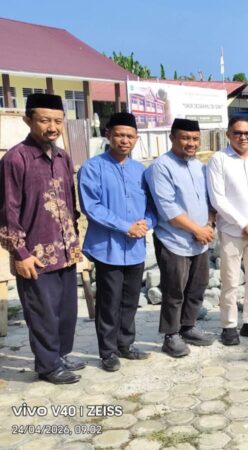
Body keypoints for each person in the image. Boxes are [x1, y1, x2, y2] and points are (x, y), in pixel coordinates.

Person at [0, 93, 85, 384]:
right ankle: (48, 366)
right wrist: (19, 253)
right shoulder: (15, 159)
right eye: (45, 120)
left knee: (66, 311)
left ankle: (60, 355)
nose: (52, 127)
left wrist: (74, 242)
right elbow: (7, 212)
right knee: (42, 314)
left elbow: (70, 202)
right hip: (34, 254)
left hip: (65, 250)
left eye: (58, 121)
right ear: (28, 120)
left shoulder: (63, 157)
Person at [78, 112, 155, 372]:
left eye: (130, 136)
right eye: (119, 135)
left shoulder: (139, 170)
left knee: (130, 299)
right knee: (109, 301)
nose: (124, 140)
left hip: (135, 248)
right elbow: (92, 207)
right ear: (108, 134)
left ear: (136, 139)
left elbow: (151, 206)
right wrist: (126, 226)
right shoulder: (92, 167)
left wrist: (147, 223)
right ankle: (108, 352)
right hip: (107, 247)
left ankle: (126, 344)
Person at [146, 118, 215, 357]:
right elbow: (168, 208)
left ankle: (188, 326)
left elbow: (209, 200)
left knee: (197, 286)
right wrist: (197, 230)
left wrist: (208, 225)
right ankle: (171, 335)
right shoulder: (161, 167)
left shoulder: (199, 166)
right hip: (174, 241)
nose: (191, 143)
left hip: (200, 240)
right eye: (185, 138)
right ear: (172, 137)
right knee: (174, 289)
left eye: (195, 139)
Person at [207, 117, 248, 346]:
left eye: (247, 133)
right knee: (230, 280)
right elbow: (218, 199)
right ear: (228, 134)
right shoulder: (219, 160)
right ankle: (228, 325)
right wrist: (245, 223)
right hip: (232, 232)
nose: (243, 137)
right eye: (237, 133)